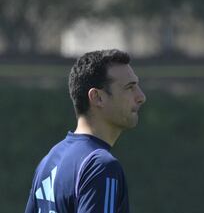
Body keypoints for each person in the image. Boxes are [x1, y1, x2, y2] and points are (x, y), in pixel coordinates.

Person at [25, 49, 146, 213]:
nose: (141, 96)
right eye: (129, 87)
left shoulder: (48, 162)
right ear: (97, 97)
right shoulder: (101, 166)